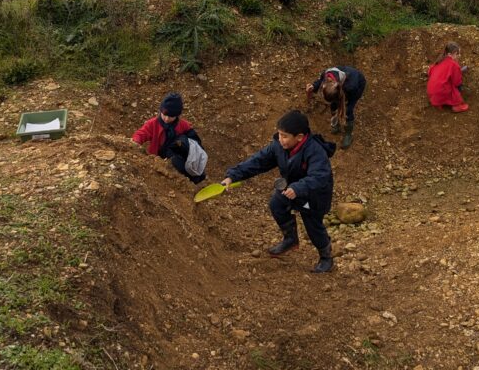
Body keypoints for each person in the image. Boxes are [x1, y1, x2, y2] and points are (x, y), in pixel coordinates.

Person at [220, 110, 335, 273]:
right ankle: (291, 239)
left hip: (313, 195)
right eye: (279, 134)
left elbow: (320, 176)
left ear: (300, 137)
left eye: (285, 136)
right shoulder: (278, 146)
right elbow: (258, 161)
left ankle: (326, 256)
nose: (280, 139)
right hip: (290, 189)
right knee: (276, 204)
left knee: (313, 226)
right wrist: (232, 176)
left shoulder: (315, 151)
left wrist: (298, 188)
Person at [131, 92, 206, 184]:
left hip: (178, 158)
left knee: (193, 171)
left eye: (171, 116)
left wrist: (183, 144)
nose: (166, 119)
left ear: (177, 115)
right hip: (157, 160)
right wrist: (135, 142)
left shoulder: (184, 126)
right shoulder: (153, 124)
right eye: (164, 114)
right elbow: (141, 133)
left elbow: (196, 144)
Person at [305, 65, 367, 149]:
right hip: (343, 85)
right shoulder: (327, 75)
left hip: (358, 84)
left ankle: (348, 134)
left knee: (347, 110)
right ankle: (336, 125)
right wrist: (314, 86)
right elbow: (320, 80)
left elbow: (345, 98)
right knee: (333, 106)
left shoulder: (351, 86)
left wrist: (343, 105)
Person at [427, 41, 468, 112]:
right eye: (457, 54)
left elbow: (430, 72)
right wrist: (459, 73)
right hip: (440, 92)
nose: (459, 55)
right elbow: (457, 82)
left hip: (431, 92)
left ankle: (439, 102)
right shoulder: (454, 65)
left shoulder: (439, 60)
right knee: (457, 87)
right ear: (449, 54)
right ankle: (456, 105)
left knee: (444, 83)